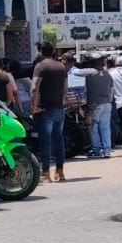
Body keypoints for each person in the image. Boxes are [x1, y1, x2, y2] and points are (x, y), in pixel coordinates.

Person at [28, 40, 69, 181]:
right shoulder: (61, 67)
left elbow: (34, 88)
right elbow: (65, 89)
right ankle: (60, 171)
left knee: (45, 141)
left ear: (40, 51)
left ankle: (45, 173)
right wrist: (60, 101)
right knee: (59, 140)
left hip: (44, 109)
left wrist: (34, 107)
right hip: (59, 108)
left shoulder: (40, 67)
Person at [85, 56, 115, 158]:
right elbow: (111, 89)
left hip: (94, 104)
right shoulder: (107, 74)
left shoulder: (89, 73)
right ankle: (107, 150)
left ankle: (96, 150)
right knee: (105, 127)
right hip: (107, 103)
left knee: (93, 127)